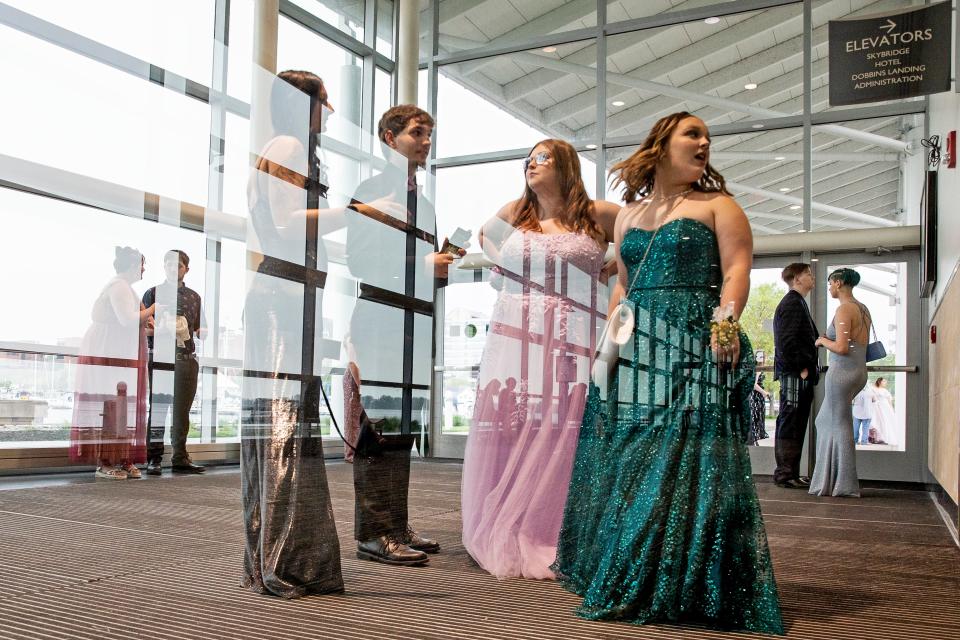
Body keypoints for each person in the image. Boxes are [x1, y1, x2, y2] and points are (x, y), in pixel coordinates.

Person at [552, 112, 783, 634]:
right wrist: (606, 348)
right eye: (693, 134)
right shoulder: (628, 216)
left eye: (707, 136)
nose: (704, 142)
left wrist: (725, 323)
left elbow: (737, 270)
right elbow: (623, 288)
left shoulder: (720, 206)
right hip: (637, 347)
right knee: (632, 458)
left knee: (683, 459)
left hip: (691, 340)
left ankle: (685, 577)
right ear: (660, 145)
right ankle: (635, 564)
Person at [460, 139, 619, 579]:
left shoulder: (598, 214)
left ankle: (562, 527)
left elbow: (639, 240)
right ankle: (516, 519)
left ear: (566, 165)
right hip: (518, 336)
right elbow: (484, 236)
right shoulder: (517, 211)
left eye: (543, 158)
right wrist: (507, 269)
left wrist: (614, 270)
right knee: (518, 423)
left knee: (567, 427)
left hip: (576, 334)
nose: (532, 165)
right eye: (528, 160)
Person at [241, 69, 347, 598]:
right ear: (301, 103)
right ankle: (283, 560)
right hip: (283, 298)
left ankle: (280, 556)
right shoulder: (286, 146)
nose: (329, 108)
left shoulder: (284, 148)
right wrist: (350, 214)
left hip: (287, 295)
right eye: (323, 99)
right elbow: (287, 224)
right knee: (284, 426)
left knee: (283, 424)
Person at [344, 105, 460, 566]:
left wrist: (438, 270)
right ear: (389, 138)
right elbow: (358, 262)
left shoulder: (425, 204)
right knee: (380, 430)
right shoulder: (369, 191)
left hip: (414, 320)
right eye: (417, 133)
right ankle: (373, 534)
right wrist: (420, 265)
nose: (426, 141)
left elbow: (420, 270)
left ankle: (395, 524)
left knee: (404, 430)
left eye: (430, 133)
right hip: (380, 318)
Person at [70, 247, 153, 479]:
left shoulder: (124, 288)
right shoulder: (119, 287)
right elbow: (127, 320)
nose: (144, 269)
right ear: (132, 266)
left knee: (122, 406)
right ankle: (106, 461)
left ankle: (122, 457)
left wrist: (148, 321)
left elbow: (130, 322)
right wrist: (155, 309)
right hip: (110, 352)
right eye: (142, 264)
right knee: (111, 405)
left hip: (120, 351)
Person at [809, 268, 870, 498]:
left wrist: (823, 340)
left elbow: (843, 347)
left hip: (842, 372)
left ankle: (842, 483)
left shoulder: (844, 309)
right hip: (858, 372)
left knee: (840, 423)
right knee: (825, 421)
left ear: (838, 283)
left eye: (830, 283)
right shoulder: (863, 309)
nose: (829, 287)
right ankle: (832, 478)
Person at [142, 250, 205, 475]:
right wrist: (162, 329)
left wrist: (200, 331)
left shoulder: (194, 297)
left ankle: (180, 456)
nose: (172, 267)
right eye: (168, 263)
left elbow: (199, 328)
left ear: (186, 269)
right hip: (161, 358)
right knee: (158, 409)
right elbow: (143, 329)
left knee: (182, 412)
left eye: (177, 264)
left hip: (186, 359)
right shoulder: (152, 294)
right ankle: (154, 458)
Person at [772, 262, 819, 488]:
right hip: (795, 375)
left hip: (796, 374)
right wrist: (802, 369)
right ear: (797, 278)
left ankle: (790, 473)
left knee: (795, 423)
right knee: (791, 423)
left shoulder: (798, 302)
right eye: (808, 274)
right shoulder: (792, 303)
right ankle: (785, 474)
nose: (813, 277)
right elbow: (787, 341)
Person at [749, 350, 771, 445]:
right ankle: (753, 440)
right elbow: (753, 384)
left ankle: (754, 440)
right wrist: (764, 392)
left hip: (757, 397)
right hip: (756, 397)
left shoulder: (757, 368)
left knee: (756, 418)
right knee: (756, 417)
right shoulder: (757, 369)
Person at [870, 377, 895, 445]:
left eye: (885, 382)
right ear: (880, 382)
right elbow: (872, 398)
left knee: (886, 420)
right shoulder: (874, 389)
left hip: (885, 407)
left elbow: (889, 400)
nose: (885, 383)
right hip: (877, 407)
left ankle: (884, 437)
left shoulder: (885, 390)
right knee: (878, 421)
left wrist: (891, 408)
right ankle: (876, 437)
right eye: (884, 381)